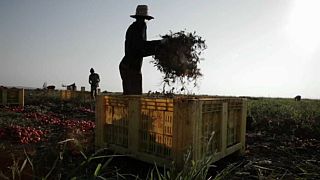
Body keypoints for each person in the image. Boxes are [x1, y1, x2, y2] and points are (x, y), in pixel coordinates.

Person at [119, 5, 166, 95]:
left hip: (127, 66)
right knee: (134, 99)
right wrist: (160, 44)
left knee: (130, 98)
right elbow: (140, 48)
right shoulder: (140, 26)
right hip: (131, 68)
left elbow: (139, 47)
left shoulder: (132, 27)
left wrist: (158, 46)